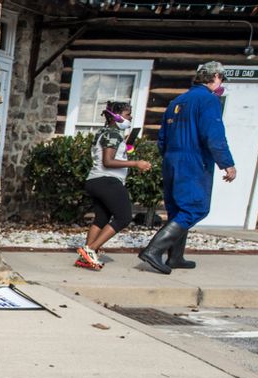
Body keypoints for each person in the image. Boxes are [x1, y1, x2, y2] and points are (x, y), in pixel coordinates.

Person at [139, 61, 236, 274]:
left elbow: (162, 138)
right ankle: (154, 250)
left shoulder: (177, 101)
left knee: (176, 209)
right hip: (193, 159)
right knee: (195, 207)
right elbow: (213, 135)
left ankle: (175, 257)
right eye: (221, 79)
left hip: (172, 159)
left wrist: (170, 158)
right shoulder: (209, 100)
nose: (221, 83)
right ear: (216, 77)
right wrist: (227, 163)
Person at [75, 101, 152, 270]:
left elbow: (110, 154)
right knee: (124, 218)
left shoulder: (105, 133)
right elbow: (108, 161)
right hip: (107, 181)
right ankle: (91, 250)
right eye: (127, 114)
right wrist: (136, 163)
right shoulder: (113, 134)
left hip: (95, 181)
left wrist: (125, 147)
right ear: (116, 116)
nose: (130, 117)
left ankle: (86, 258)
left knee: (101, 219)